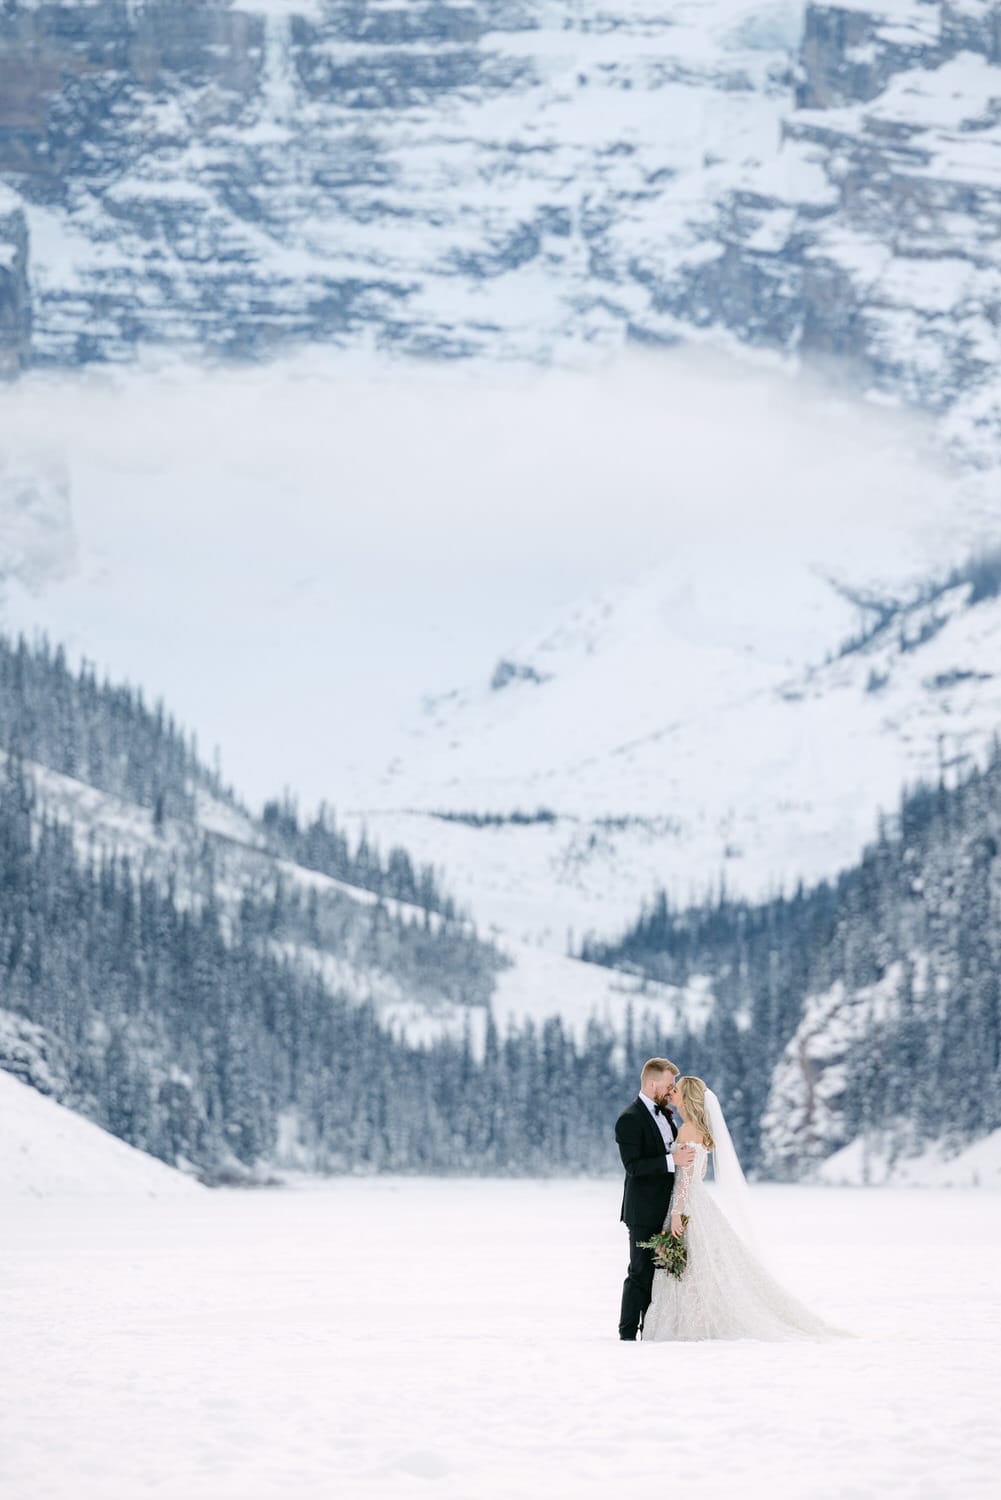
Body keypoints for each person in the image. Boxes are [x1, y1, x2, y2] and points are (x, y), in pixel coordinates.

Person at [641, 1075, 840, 1341]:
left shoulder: (688, 1130)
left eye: (676, 1090)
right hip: (699, 1202)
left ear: (687, 1097)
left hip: (686, 1204)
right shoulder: (699, 1130)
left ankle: (689, 1323)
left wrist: (677, 1213)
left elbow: (686, 1178)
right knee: (702, 1264)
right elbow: (697, 1173)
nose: (671, 1093)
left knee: (691, 1265)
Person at [614, 1058, 695, 1341]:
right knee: (639, 1272)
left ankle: (649, 1329)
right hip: (643, 1209)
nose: (671, 1091)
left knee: (659, 1275)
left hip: (667, 1208)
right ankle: (626, 1335)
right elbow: (633, 1167)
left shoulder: (666, 1116)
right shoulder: (629, 1119)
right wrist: (671, 1161)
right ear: (651, 1084)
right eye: (668, 1085)